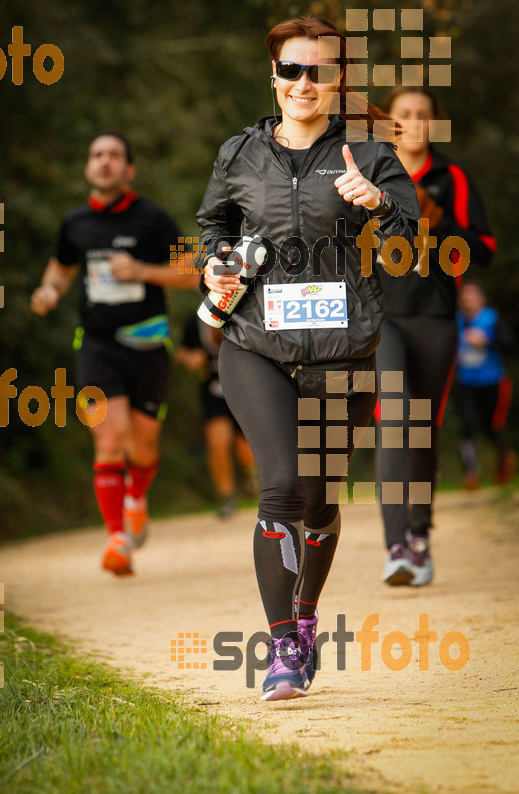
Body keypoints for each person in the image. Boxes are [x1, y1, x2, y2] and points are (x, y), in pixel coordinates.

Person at [197, 16, 420, 700]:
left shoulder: (369, 154)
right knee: (281, 484)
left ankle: (305, 613)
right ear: (274, 76)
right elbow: (213, 224)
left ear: (336, 79)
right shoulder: (238, 153)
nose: (303, 82)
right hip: (253, 344)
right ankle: (283, 649)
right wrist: (213, 267)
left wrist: (378, 203)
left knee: (318, 500)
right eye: (290, 70)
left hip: (343, 351)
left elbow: (407, 246)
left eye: (316, 70)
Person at [31, 133, 197, 577]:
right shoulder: (75, 222)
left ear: (129, 170)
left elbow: (193, 273)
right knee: (108, 439)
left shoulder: (153, 220)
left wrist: (142, 270)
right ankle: (116, 540)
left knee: (142, 448)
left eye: (114, 156)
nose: (104, 162)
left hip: (147, 344)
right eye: (97, 155)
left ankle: (137, 497)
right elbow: (62, 266)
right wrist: (50, 290)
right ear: (88, 167)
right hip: (97, 345)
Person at [376, 87, 496, 587]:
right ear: (389, 123)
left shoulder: (453, 178)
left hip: (435, 317)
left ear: (435, 123)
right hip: (379, 317)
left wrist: (438, 218)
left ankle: (420, 537)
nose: (414, 122)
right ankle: (396, 547)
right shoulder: (369, 171)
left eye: (424, 114)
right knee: (395, 417)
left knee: (421, 428)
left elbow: (482, 251)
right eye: (404, 114)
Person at [176, 314, 258, 517]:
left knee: (246, 449)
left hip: (245, 386)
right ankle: (226, 497)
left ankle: (253, 477)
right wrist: (190, 358)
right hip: (213, 388)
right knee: (217, 442)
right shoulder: (194, 320)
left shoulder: (244, 311)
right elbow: (181, 351)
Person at [456, 280, 515, 488]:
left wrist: (486, 341)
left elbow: (510, 343)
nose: (468, 300)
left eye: (473, 296)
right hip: (466, 382)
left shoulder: (492, 318)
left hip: (493, 381)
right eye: (465, 297)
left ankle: (504, 461)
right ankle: (471, 474)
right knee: (467, 426)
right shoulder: (458, 321)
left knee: (492, 427)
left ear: (482, 299)